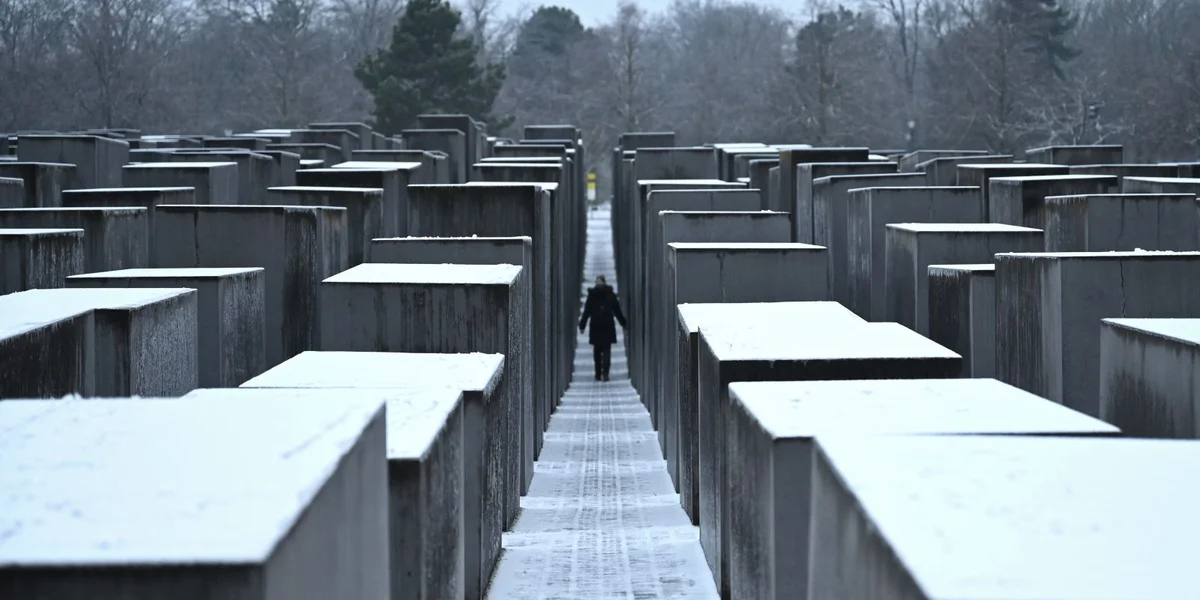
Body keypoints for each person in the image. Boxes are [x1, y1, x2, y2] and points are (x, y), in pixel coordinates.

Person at [579, 275, 628, 381]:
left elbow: (586, 313)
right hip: (608, 325)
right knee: (606, 350)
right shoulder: (611, 295)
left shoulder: (592, 296)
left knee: (597, 350)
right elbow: (617, 311)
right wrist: (623, 323)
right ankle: (605, 373)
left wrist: (582, 325)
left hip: (596, 326)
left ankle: (597, 373)